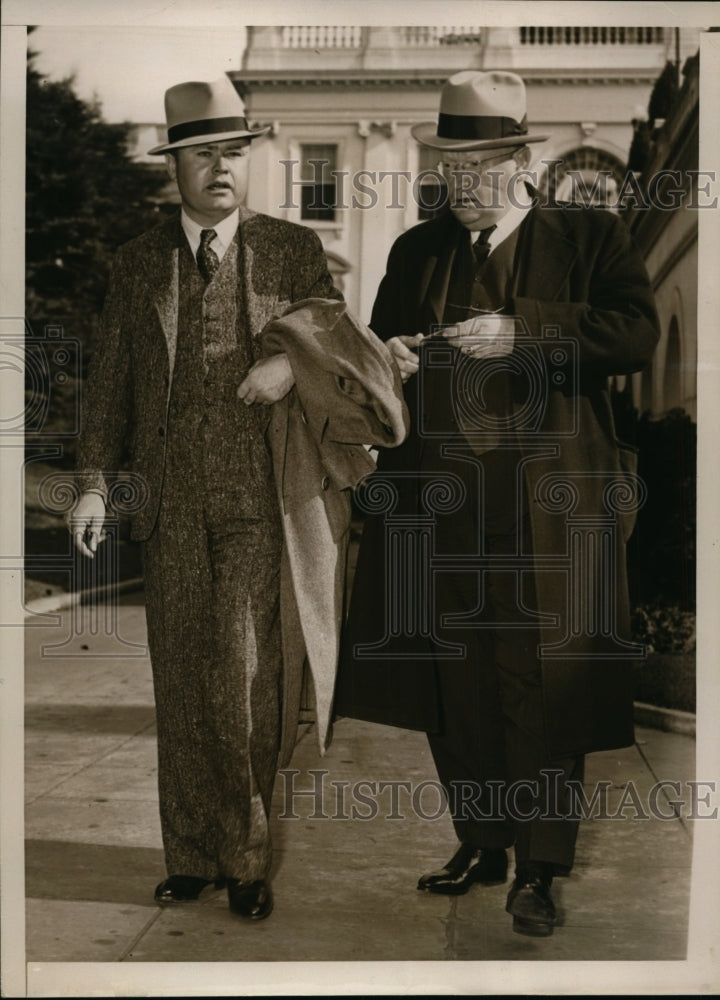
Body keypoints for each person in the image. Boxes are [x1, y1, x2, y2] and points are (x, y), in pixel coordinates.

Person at [70, 76, 407, 922]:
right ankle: (191, 855)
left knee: (247, 680)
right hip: (168, 506)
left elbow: (341, 343)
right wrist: (92, 485)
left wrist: (291, 362)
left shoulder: (290, 248)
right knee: (182, 681)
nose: (221, 167)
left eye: (232, 152)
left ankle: (247, 858)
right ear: (174, 167)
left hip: (261, 500)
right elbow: (108, 382)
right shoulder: (137, 260)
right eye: (202, 155)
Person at [335, 70, 660, 936]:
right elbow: (377, 354)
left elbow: (635, 332)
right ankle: (481, 839)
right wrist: (393, 356)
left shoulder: (589, 236)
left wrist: (527, 329)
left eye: (478, 168)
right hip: (438, 507)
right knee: (455, 682)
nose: (461, 185)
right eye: (448, 168)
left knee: (543, 685)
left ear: (523, 162)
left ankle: (540, 867)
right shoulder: (417, 250)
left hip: (547, 510)